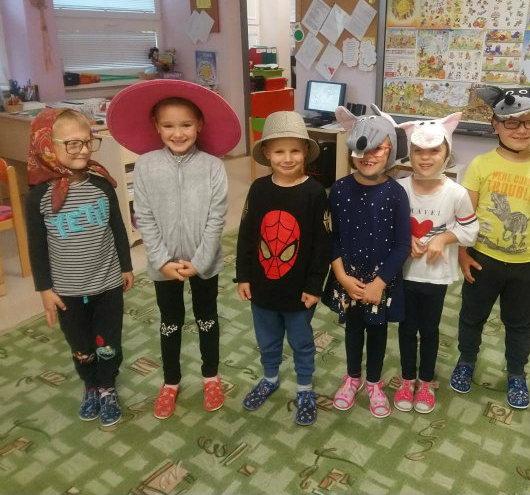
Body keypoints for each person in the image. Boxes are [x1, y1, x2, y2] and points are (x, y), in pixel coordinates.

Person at [107, 80, 240, 420]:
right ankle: (170, 380)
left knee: (207, 318)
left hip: (204, 263)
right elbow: (144, 216)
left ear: (199, 125)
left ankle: (210, 375)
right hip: (162, 263)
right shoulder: (146, 165)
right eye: (168, 125)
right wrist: (161, 260)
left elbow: (216, 218)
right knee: (170, 321)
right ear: (156, 126)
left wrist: (200, 261)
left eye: (186, 125)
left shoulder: (212, 166)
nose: (177, 133)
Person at [26, 108, 134, 427]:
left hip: (107, 284)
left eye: (87, 142)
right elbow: (37, 246)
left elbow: (117, 228)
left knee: (108, 342)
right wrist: (45, 289)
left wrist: (126, 266)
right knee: (81, 345)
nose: (84, 150)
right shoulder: (38, 197)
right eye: (72, 143)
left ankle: (108, 386)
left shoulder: (101, 185)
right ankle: (90, 385)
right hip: (67, 291)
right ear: (47, 146)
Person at [450, 84, 530, 410]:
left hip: (526, 265)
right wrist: (463, 253)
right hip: (483, 259)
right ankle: (467, 359)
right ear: (495, 125)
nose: (522, 130)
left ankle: (516, 373)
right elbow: (466, 214)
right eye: (512, 122)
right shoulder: (481, 165)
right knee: (472, 317)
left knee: (519, 324)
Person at [236, 111, 331, 425]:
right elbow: (247, 234)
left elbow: (322, 245)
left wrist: (315, 285)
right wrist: (243, 275)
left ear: (305, 151)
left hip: (299, 291)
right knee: (267, 339)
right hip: (262, 287)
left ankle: (304, 387)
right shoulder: (258, 189)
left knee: (302, 342)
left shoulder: (315, 193)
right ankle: (270, 377)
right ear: (267, 153)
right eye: (279, 151)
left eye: (294, 150)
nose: (287, 158)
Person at [323, 104, 411, 419]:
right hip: (348, 278)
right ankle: (353, 377)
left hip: (380, 283)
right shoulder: (339, 189)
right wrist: (342, 277)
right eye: (362, 150)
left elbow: (402, 245)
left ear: (390, 150)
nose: (368, 156)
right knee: (352, 329)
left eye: (378, 149)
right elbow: (331, 237)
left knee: (376, 332)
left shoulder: (396, 194)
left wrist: (379, 283)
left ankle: (373, 381)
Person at [394, 112, 479, 413]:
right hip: (404, 274)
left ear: (446, 153)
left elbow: (471, 231)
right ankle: (407, 379)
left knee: (429, 330)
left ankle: (426, 380)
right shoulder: (399, 189)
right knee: (406, 329)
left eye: (434, 151)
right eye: (418, 151)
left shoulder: (457, 193)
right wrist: (405, 240)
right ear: (410, 153)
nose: (426, 158)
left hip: (436, 277)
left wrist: (443, 238)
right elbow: (388, 228)